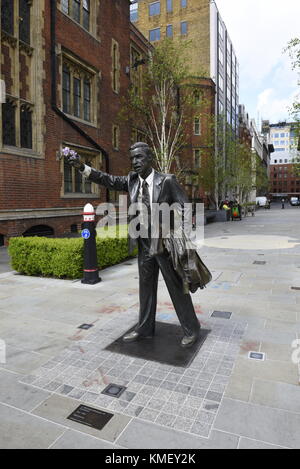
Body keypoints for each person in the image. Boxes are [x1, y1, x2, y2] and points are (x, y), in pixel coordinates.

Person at [65, 142, 210, 348]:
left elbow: (185, 207)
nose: (135, 162)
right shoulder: (132, 180)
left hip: (165, 245)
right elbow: (107, 179)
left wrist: (179, 236)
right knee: (146, 289)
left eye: (139, 157)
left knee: (177, 288)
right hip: (143, 245)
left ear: (150, 158)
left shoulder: (167, 181)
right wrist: (82, 167)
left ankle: (191, 329)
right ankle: (144, 328)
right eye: (132, 158)